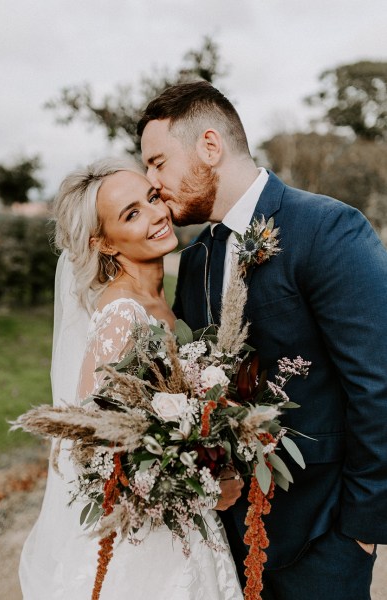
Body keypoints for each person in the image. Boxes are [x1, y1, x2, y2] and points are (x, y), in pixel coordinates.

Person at [138, 80, 387, 600]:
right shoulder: (198, 257)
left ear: (210, 146)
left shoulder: (330, 229)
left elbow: (377, 384)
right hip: (227, 536)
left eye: (158, 162)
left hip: (324, 536)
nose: (151, 182)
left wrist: (362, 531)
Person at [19, 157, 243, 599]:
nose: (157, 214)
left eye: (152, 197)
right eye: (131, 213)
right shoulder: (121, 315)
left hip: (188, 530)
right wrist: (201, 490)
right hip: (148, 545)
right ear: (102, 243)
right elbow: (93, 450)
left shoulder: (162, 301)